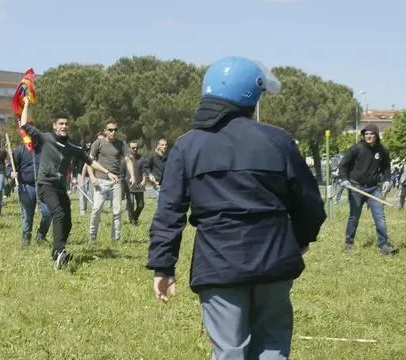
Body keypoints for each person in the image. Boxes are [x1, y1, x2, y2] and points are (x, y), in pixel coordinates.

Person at [147, 56, 326, 359]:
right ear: (252, 96)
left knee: (230, 351)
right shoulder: (278, 140)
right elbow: (310, 204)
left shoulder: (187, 145)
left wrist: (164, 266)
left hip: (219, 266)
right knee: (272, 347)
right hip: (275, 262)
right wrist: (299, 241)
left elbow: (169, 213)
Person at [20, 99, 119, 269]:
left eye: (66, 124)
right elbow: (24, 125)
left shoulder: (73, 145)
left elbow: (90, 160)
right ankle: (60, 252)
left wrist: (108, 172)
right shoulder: (46, 138)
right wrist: (27, 104)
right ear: (54, 126)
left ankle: (56, 251)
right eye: (61, 123)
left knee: (68, 222)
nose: (64, 126)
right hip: (45, 185)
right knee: (58, 213)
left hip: (60, 188)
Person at [338, 123, 397, 255]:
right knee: (354, 217)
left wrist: (388, 180)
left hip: (374, 189)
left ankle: (384, 246)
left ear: (376, 135)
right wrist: (344, 179)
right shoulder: (356, 148)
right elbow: (343, 165)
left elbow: (386, 167)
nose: (369, 136)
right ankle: (349, 243)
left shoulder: (382, 150)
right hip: (356, 188)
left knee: (380, 217)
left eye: (371, 134)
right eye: (366, 134)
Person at [87, 122, 135, 243]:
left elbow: (128, 160)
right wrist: (92, 177)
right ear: (105, 131)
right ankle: (92, 236)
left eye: (115, 130)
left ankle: (116, 238)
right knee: (97, 208)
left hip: (116, 181)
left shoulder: (121, 144)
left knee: (117, 210)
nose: (113, 132)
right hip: (101, 180)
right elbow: (89, 161)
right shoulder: (98, 143)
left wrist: (132, 175)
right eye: (110, 129)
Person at [11, 143, 51, 247]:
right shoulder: (20, 150)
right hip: (26, 186)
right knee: (27, 216)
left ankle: (41, 235)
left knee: (48, 213)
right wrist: (11, 173)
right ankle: (26, 239)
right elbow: (10, 167)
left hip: (43, 185)